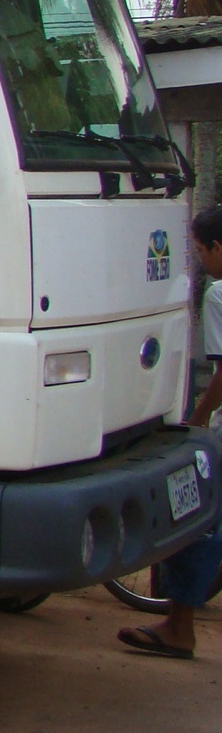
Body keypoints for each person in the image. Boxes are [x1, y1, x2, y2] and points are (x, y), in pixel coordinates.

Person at [120, 204, 222, 660]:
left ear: (215, 247)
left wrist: (197, 419)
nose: (202, 261)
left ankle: (180, 627)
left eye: (201, 251)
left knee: (198, 523)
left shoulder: (219, 294)